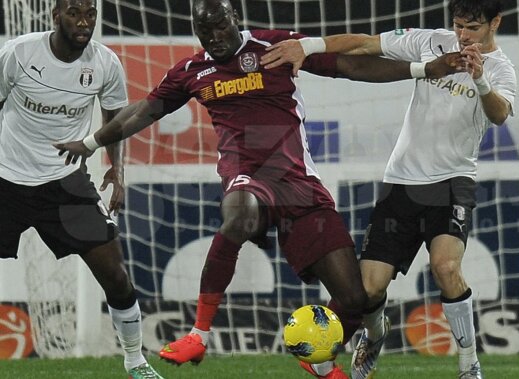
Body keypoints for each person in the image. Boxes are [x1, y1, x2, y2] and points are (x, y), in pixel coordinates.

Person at [53, 0, 462, 378]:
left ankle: (319, 359)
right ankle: (199, 334)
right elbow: (143, 111)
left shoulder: (274, 46)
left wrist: (424, 69)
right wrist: (90, 143)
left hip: (299, 185)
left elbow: (350, 67)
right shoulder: (192, 72)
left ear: (235, 19)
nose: (212, 37)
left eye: (218, 26)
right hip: (246, 172)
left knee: (354, 299)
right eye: (203, 30)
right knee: (239, 215)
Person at [261, 1, 516, 378]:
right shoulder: (430, 42)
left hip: (452, 183)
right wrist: (310, 46)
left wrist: (479, 78)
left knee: (445, 268)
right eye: (459, 25)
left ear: (495, 23)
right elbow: (365, 44)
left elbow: (499, 114)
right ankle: (376, 333)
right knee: (368, 290)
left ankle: (468, 364)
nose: (463, 36)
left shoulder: (501, 68)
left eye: (473, 28)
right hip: (402, 182)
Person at [0, 1, 163, 378]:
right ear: (56, 16)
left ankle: (136, 361)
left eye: (90, 13)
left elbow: (115, 121)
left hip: (65, 183)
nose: (84, 21)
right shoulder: (18, 53)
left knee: (115, 274)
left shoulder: (105, 63)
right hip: (7, 180)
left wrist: (117, 171)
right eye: (74, 12)